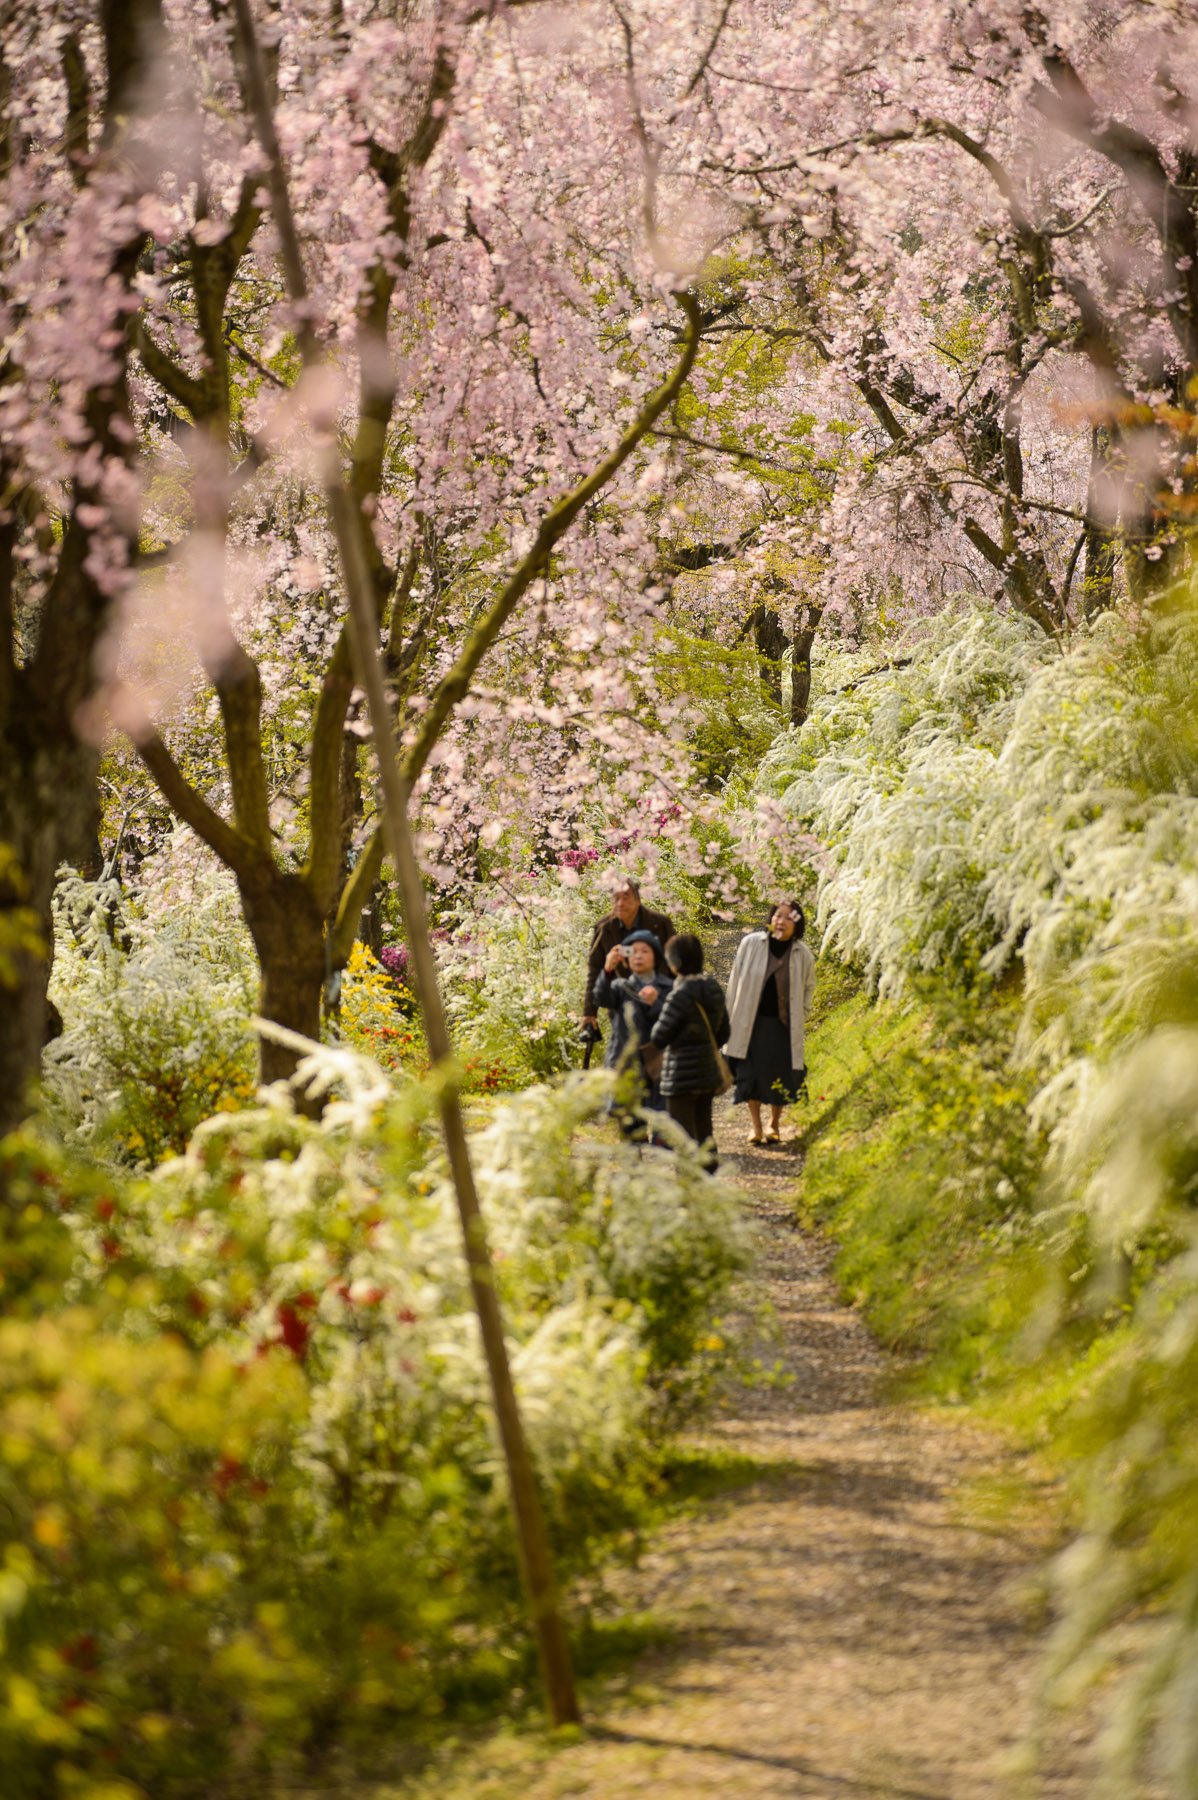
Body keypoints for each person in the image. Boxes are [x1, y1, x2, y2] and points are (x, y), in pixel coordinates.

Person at [724, 900, 816, 1146]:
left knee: (780, 1074)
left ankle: (774, 1124)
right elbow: (735, 981)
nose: (780, 921)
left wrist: (803, 1013)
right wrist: (728, 1017)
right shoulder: (751, 944)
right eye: (777, 915)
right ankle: (755, 1126)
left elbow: (809, 988)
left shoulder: (802, 954)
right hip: (749, 1023)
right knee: (750, 1075)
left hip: (782, 1026)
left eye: (788, 918)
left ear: (796, 925)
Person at [648, 934, 730, 1169]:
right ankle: (710, 1184)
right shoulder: (712, 988)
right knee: (705, 1132)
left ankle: (689, 1192)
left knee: (683, 1139)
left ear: (675, 964)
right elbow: (725, 1032)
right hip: (707, 1072)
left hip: (680, 1078)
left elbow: (659, 1037)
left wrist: (656, 1005)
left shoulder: (678, 995)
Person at [591, 929, 673, 1115]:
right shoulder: (620, 987)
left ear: (656, 957)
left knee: (664, 1127)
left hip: (660, 1065)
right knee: (631, 1129)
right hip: (627, 1063)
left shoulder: (668, 987)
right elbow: (601, 999)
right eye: (633, 951)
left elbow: (675, 1022)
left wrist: (656, 1003)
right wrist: (607, 970)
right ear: (626, 959)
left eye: (645, 951)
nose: (639, 956)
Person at [582, 876, 675, 1029]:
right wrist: (589, 1012)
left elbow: (674, 963)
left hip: (658, 1000)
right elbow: (595, 969)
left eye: (626, 897)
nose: (620, 903)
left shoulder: (660, 924)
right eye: (616, 898)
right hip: (622, 1004)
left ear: (638, 900)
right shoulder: (605, 928)